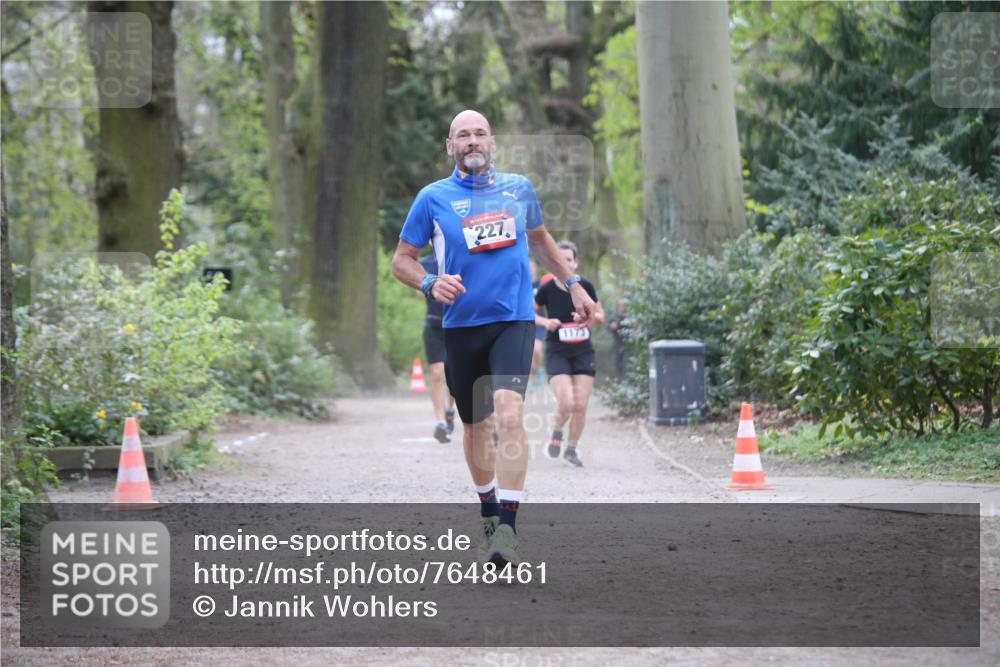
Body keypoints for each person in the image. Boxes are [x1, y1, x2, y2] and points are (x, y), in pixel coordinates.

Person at [391, 109, 596, 567]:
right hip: (462, 326)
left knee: (508, 410)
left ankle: (508, 525)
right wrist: (427, 283)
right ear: (451, 147)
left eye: (480, 133)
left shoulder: (518, 188)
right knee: (474, 426)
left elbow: (542, 241)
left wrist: (575, 283)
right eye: (463, 135)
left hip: (513, 320)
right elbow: (402, 259)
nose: (472, 141)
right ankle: (487, 508)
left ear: (493, 142)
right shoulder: (432, 198)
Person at [534, 240, 605, 467]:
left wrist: (588, 317)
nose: (564, 264)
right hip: (557, 350)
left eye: (569, 260)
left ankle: (571, 450)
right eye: (559, 261)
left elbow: (601, 316)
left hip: (583, 351)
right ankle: (556, 432)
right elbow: (528, 313)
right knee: (566, 401)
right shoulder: (546, 290)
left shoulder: (586, 286)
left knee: (581, 404)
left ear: (576, 263)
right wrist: (546, 322)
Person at [419, 253, 456, 442]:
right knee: (437, 374)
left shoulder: (458, 258)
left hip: (456, 325)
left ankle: (450, 409)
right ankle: (440, 422)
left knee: (455, 375)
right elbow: (418, 291)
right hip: (434, 325)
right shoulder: (425, 263)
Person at [529, 258, 546, 389]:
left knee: (537, 349)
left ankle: (539, 370)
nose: (530, 270)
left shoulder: (541, 285)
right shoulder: (521, 285)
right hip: (525, 323)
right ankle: (532, 378)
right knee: (527, 354)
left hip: (539, 323)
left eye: (532, 267)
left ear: (535, 269)